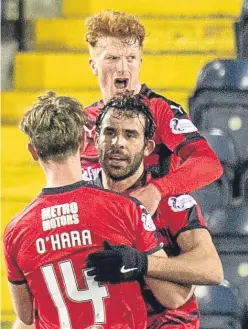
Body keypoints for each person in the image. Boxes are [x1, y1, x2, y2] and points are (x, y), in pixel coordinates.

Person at [10, 94, 224, 329]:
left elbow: (211, 270)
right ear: (92, 139)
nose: (117, 144)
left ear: (148, 145)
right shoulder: (88, 204)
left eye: (129, 135)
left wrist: (142, 264)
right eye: (109, 133)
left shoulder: (170, 198)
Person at [81, 9, 223, 213]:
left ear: (140, 62)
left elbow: (208, 164)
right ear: (93, 65)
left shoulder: (159, 110)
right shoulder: (83, 119)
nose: (122, 68)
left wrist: (156, 190)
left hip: (156, 233)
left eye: (130, 58)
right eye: (112, 58)